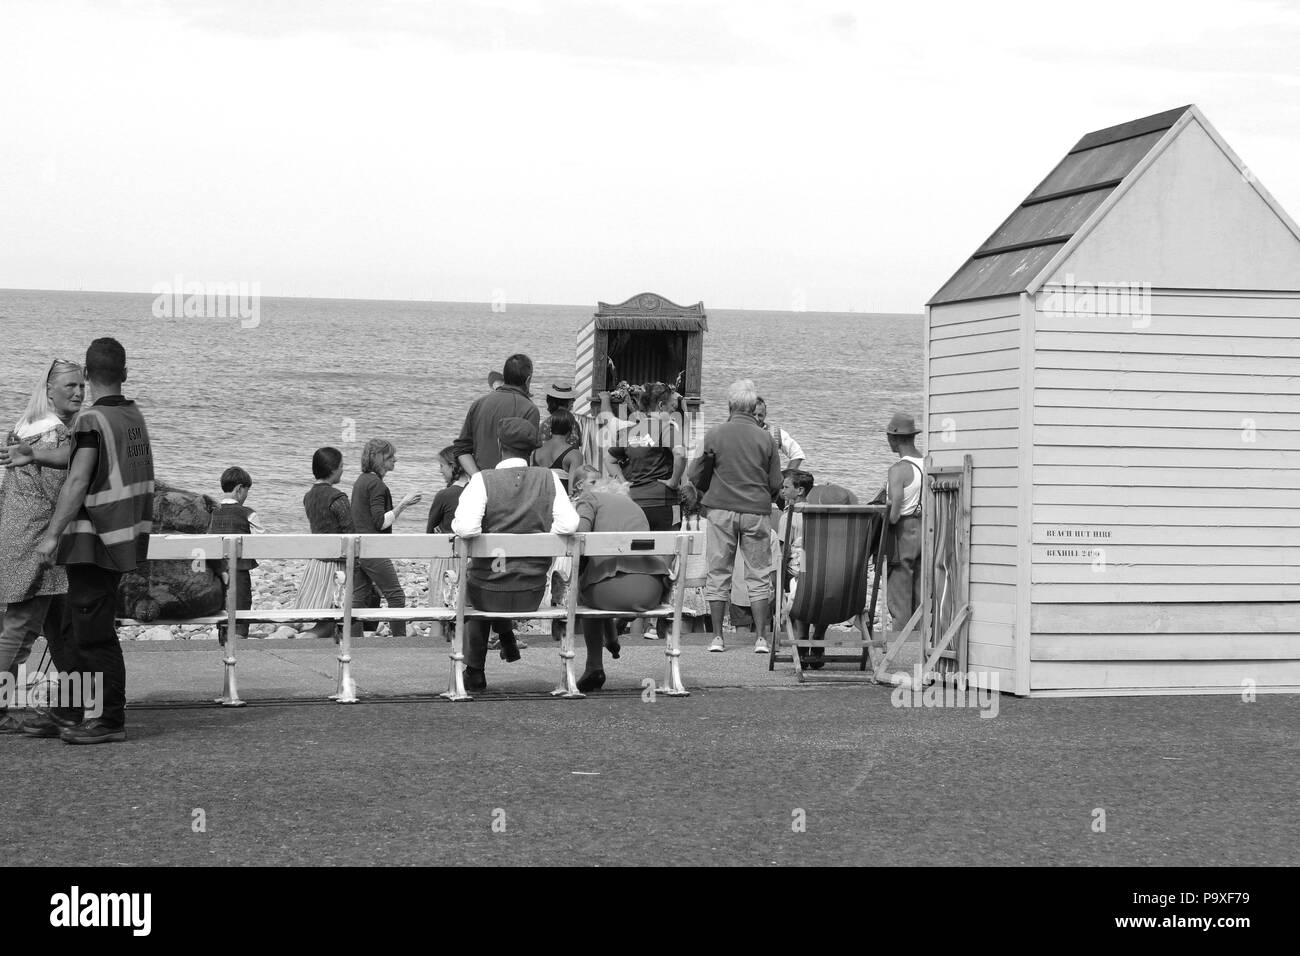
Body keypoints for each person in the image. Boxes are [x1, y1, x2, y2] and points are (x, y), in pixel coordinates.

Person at [23, 338, 154, 744]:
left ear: (86, 372)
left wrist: (50, 536)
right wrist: (36, 454)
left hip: (96, 541)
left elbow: (79, 479)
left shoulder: (90, 420)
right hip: (126, 536)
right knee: (76, 628)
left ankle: (110, 719)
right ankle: (69, 710)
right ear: (125, 374)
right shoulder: (132, 417)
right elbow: (84, 457)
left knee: (94, 634)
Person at [451, 417, 579, 692]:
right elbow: (569, 525)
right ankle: (505, 633)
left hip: (488, 591)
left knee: (482, 583)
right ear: (532, 450)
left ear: (500, 445)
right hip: (530, 590)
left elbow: (466, 528)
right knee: (500, 576)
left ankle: (475, 670)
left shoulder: (482, 480)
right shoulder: (549, 479)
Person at [0, 359, 84, 733]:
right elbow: (59, 494)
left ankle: (5, 709)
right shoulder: (54, 434)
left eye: (82, 386)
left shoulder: (23, 428)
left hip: (15, 532)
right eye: (70, 386)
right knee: (19, 629)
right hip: (36, 538)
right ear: (49, 389)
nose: (79, 393)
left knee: (20, 628)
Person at [687, 379, 781, 654]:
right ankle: (761, 638)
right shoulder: (766, 438)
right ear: (754, 408)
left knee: (718, 573)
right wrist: (766, 497)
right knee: (758, 574)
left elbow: (694, 475)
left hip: (720, 510)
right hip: (755, 511)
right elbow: (775, 482)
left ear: (729, 405)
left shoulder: (715, 434)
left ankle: (717, 637)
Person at [570, 467, 671, 692]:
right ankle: (612, 638)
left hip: (609, 592)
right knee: (602, 577)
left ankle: (594, 665)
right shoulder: (634, 507)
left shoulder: (590, 498)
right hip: (650, 590)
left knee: (587, 587)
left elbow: (579, 538)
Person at [604, 382, 685, 640]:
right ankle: (649, 622)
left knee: (637, 562)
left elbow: (609, 458)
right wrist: (673, 481)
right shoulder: (668, 427)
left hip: (635, 503)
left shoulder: (632, 429)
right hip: (663, 502)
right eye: (672, 405)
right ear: (660, 406)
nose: (674, 410)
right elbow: (681, 455)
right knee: (665, 563)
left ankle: (631, 618)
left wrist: (623, 483)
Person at [351, 438, 422, 637]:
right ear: (378, 458)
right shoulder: (376, 485)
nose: (395, 460)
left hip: (358, 548)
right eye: (390, 456)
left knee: (358, 598)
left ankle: (354, 641)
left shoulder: (361, 480)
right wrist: (403, 505)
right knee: (396, 597)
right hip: (373, 548)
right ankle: (399, 642)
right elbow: (380, 522)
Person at [296, 447, 353, 640]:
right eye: (342, 466)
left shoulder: (308, 496)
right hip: (335, 566)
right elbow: (350, 535)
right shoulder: (338, 497)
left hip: (315, 564)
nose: (343, 470)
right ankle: (302, 641)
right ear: (333, 469)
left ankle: (291, 634)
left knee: (319, 618)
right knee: (329, 623)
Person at [454, 354, 540, 476]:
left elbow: (461, 449)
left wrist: (477, 477)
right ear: (528, 380)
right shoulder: (529, 409)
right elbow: (530, 456)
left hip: (482, 485)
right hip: (513, 485)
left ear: (505, 376)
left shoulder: (478, 404)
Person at [206, 467, 265, 641]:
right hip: (239, 571)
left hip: (216, 573)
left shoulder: (211, 512)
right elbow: (263, 539)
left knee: (222, 608)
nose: (246, 495)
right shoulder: (247, 512)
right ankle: (238, 640)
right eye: (247, 491)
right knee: (241, 609)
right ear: (239, 489)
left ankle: (223, 638)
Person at [885, 412, 925, 631]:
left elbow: (894, 513)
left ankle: (900, 650)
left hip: (903, 533)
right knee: (919, 598)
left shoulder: (898, 470)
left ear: (895, 438)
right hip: (926, 531)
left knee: (899, 600)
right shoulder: (928, 462)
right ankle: (918, 651)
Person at [425, 445, 469, 614]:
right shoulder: (477, 493)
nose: (440, 471)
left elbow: (428, 533)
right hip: (470, 559)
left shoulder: (445, 495)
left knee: (440, 610)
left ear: (452, 466)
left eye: (442, 466)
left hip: (446, 560)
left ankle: (438, 640)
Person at [533, 411, 584, 491]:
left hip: (538, 501)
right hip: (560, 501)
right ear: (571, 428)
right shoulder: (574, 455)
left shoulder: (535, 452)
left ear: (551, 427)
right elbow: (573, 489)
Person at [755, 397, 805, 473]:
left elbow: (797, 454)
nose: (756, 418)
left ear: (765, 415)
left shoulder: (775, 433)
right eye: (753, 414)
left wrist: (787, 477)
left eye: (760, 415)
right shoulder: (738, 431)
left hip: (766, 482)